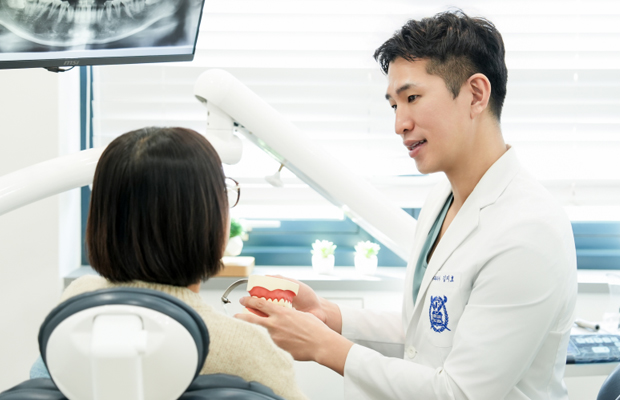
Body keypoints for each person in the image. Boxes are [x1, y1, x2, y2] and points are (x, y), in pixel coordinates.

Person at [236, 10, 578, 400]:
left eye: (412, 98)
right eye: (394, 106)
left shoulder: (528, 232)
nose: (399, 124)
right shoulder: (440, 201)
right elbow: (429, 335)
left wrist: (324, 347)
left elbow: (459, 393)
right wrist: (329, 316)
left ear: (476, 95)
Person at [31, 127, 307, 400]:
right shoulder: (247, 347)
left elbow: (41, 379)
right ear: (208, 218)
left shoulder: (78, 304)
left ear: (103, 216)